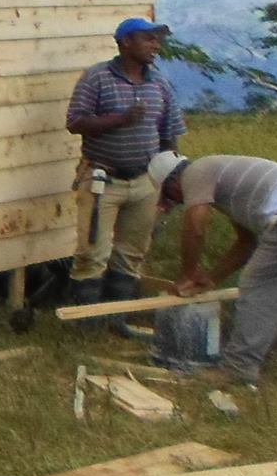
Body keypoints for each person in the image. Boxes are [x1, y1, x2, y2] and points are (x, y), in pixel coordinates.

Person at [160, 150, 277, 388]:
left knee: (257, 288)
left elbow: (196, 227)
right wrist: (211, 278)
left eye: (170, 197)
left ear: (172, 182)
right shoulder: (226, 180)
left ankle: (239, 368)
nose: (178, 202)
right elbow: (247, 243)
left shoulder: (194, 173)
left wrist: (187, 274)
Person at [62, 17, 186, 307]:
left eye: (158, 40)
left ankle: (116, 318)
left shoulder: (160, 85)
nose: (156, 45)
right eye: (149, 39)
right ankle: (88, 324)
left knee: (132, 253)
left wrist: (169, 182)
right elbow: (75, 122)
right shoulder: (97, 77)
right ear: (126, 42)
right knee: (93, 253)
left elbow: (169, 137)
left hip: (146, 181)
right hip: (103, 178)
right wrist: (120, 119)